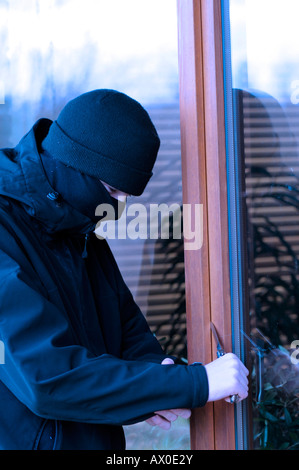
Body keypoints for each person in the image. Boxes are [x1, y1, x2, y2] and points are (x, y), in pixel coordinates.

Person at [0, 89, 249, 450]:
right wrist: (196, 384)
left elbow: (128, 334)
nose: (120, 207)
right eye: (114, 191)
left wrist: (156, 383)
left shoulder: (78, 226)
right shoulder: (7, 230)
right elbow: (47, 377)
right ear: (75, 165)